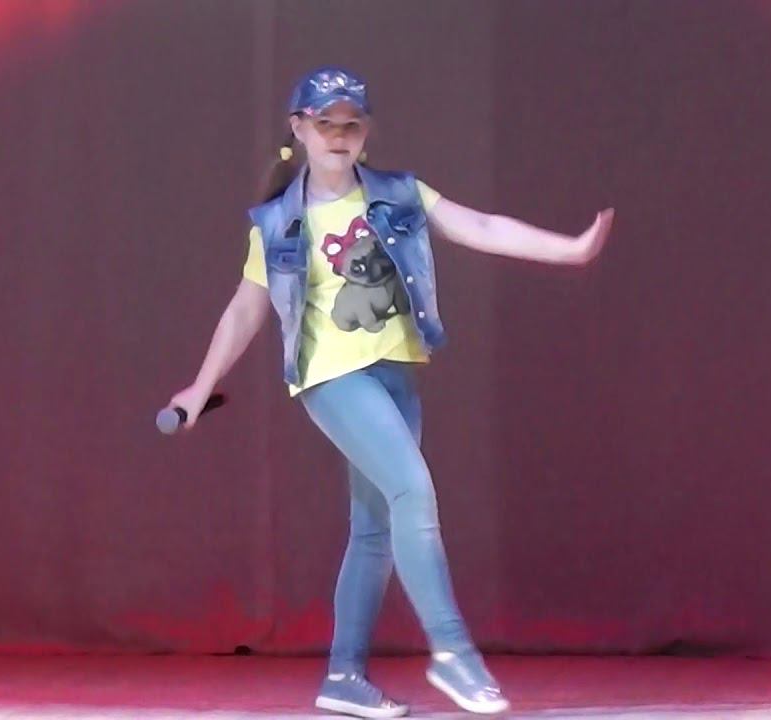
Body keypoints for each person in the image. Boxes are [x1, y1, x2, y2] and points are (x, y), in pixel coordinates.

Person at [167, 66, 613, 718]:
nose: (339, 136)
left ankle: (343, 676)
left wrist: (568, 250)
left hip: (395, 372)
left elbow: (481, 226)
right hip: (332, 377)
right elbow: (244, 310)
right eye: (326, 124)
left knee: (374, 530)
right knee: (412, 489)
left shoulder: (399, 195)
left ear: (366, 131)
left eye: (351, 125)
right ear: (299, 129)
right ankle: (453, 652)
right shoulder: (279, 223)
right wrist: (200, 387)